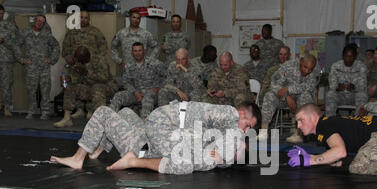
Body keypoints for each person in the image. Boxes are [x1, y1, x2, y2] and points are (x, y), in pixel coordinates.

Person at [50, 100, 261, 175]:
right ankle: (96, 148)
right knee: (125, 112)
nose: (244, 131)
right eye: (247, 126)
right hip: (157, 135)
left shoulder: (216, 149)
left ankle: (82, 157)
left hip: (149, 144)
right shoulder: (230, 118)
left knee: (105, 112)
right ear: (242, 115)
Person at [258, 54, 318, 142]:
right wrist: (287, 96)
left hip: (301, 99)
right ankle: (263, 131)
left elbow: (308, 87)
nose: (307, 71)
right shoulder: (288, 66)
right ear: (300, 62)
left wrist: (288, 89)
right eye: (305, 67)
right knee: (269, 95)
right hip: (283, 97)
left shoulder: (315, 71)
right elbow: (274, 83)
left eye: (310, 69)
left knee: (306, 96)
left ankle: (298, 134)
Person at [54, 46, 118, 127]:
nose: (79, 63)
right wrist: (68, 79)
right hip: (89, 88)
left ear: (87, 57)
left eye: (81, 61)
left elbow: (104, 78)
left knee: (97, 87)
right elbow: (76, 80)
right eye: (77, 60)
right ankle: (67, 118)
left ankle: (101, 121)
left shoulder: (100, 60)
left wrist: (86, 73)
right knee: (70, 87)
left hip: (107, 88)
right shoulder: (78, 62)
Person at [109, 42, 166, 119]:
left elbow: (166, 76)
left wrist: (157, 87)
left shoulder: (155, 63)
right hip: (136, 94)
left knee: (147, 99)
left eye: (140, 50)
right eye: (135, 51)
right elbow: (126, 82)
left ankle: (144, 124)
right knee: (118, 96)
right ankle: (109, 119)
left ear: (144, 51)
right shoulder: (128, 65)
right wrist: (135, 92)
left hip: (152, 94)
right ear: (132, 52)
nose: (137, 53)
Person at [18, 15, 60, 120]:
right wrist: (22, 59)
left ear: (44, 23)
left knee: (45, 90)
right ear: (34, 21)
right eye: (38, 20)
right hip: (30, 67)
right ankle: (31, 111)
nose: (39, 23)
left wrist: (51, 59)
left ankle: (45, 112)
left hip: (43, 67)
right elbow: (15, 45)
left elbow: (56, 46)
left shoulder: (47, 34)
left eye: (42, 21)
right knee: (31, 91)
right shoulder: (25, 33)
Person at [326, 44, 368, 116]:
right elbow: (332, 84)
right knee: (330, 94)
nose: (348, 59)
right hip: (340, 95)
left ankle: (358, 121)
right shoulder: (335, 66)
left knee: (363, 95)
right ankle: (330, 120)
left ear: (355, 57)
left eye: (351, 56)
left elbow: (363, 86)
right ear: (343, 56)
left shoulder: (361, 67)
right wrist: (337, 87)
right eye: (346, 56)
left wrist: (354, 87)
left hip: (354, 96)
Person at [0, 5, 21, 117]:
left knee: (6, 84)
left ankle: (6, 107)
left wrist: (4, 41)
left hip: (5, 59)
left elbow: (17, 42)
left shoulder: (10, 26)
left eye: (2, 13)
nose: (0, 15)